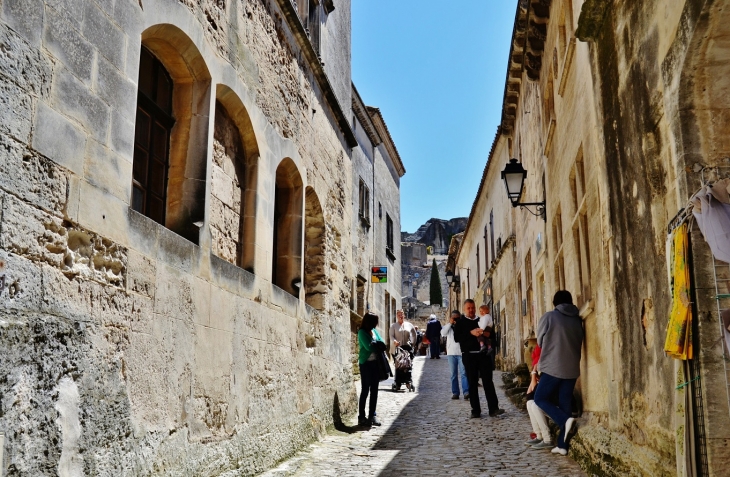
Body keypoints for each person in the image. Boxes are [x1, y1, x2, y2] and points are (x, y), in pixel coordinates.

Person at [533, 290, 584, 456]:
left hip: (553, 365)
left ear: (555, 303)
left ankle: (564, 420)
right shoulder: (577, 319)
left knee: (540, 398)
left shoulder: (549, 317)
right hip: (572, 368)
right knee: (565, 404)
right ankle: (562, 445)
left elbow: (540, 340)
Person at [453, 299, 504, 418]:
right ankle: (475, 410)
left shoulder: (482, 319)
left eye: (472, 308)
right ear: (465, 309)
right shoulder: (460, 322)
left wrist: (488, 334)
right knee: (472, 382)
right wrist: (471, 333)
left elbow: (492, 334)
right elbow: (457, 338)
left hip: (483, 354)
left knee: (488, 382)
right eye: (468, 308)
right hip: (469, 355)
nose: (471, 310)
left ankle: (493, 409)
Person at [357, 312, 386, 427]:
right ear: (370, 321)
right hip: (366, 364)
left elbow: (383, 343)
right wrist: (376, 345)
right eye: (375, 321)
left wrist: (377, 344)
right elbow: (368, 347)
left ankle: (372, 415)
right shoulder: (362, 332)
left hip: (375, 364)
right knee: (365, 390)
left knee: (374, 390)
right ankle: (361, 417)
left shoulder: (374, 331)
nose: (377, 324)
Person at [524, 345, 553, 450]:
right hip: (550, 404)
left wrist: (533, 375)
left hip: (557, 408)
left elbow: (534, 394)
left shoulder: (547, 375)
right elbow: (529, 396)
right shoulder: (540, 376)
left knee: (535, 405)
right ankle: (539, 435)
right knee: (530, 403)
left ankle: (547, 439)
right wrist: (533, 374)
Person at [441, 310, 470, 399]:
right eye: (454, 317)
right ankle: (455, 393)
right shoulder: (448, 326)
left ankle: (466, 392)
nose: (455, 319)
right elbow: (443, 333)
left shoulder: (462, 325)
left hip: (461, 352)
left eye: (457, 317)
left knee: (464, 373)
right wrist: (450, 323)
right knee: (453, 374)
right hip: (451, 353)